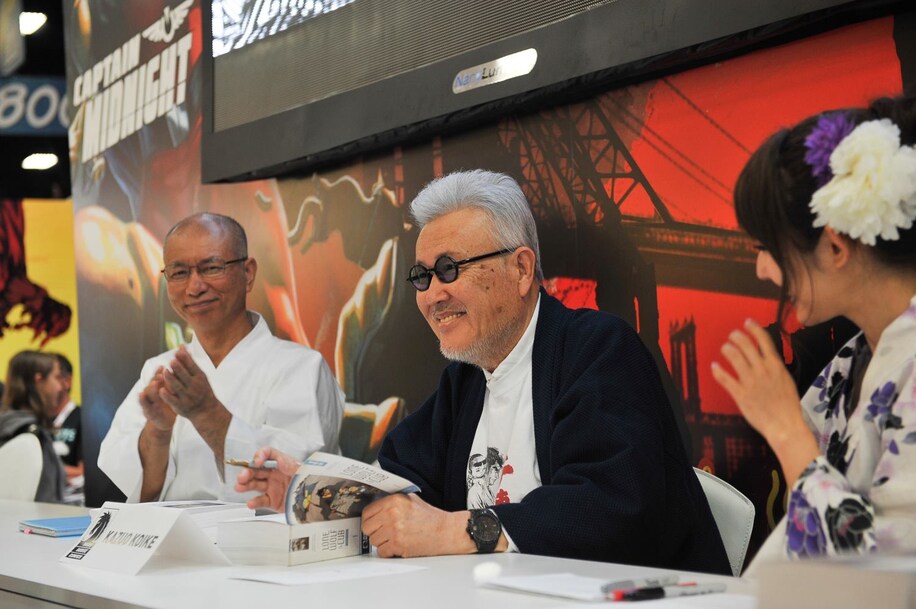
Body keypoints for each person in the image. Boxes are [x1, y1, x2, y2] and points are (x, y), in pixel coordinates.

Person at [237, 170, 729, 573]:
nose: (432, 294)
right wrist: (315, 495)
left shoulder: (599, 349)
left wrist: (452, 531)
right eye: (422, 276)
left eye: (450, 269)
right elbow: (400, 482)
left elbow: (610, 506)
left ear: (520, 269)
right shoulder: (467, 378)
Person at [711, 96, 916, 564]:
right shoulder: (854, 360)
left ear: (835, 247)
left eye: (768, 247)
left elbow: (888, 578)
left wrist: (786, 430)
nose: (762, 269)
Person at [98, 213, 344, 502]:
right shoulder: (160, 370)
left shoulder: (302, 367)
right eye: (179, 273)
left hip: (260, 541)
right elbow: (140, 489)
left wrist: (207, 413)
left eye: (212, 268)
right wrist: (159, 431)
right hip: (173, 539)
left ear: (248, 273)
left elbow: (297, 481)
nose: (195, 287)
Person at [0, 351, 67, 502]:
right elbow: (48, 504)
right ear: (39, 381)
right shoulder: (34, 437)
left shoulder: (7, 427)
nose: (61, 387)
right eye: (56, 377)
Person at [50, 354, 83, 484]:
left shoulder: (83, 418)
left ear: (67, 382)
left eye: (49, 377)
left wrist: (46, 470)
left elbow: (85, 472)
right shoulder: (36, 421)